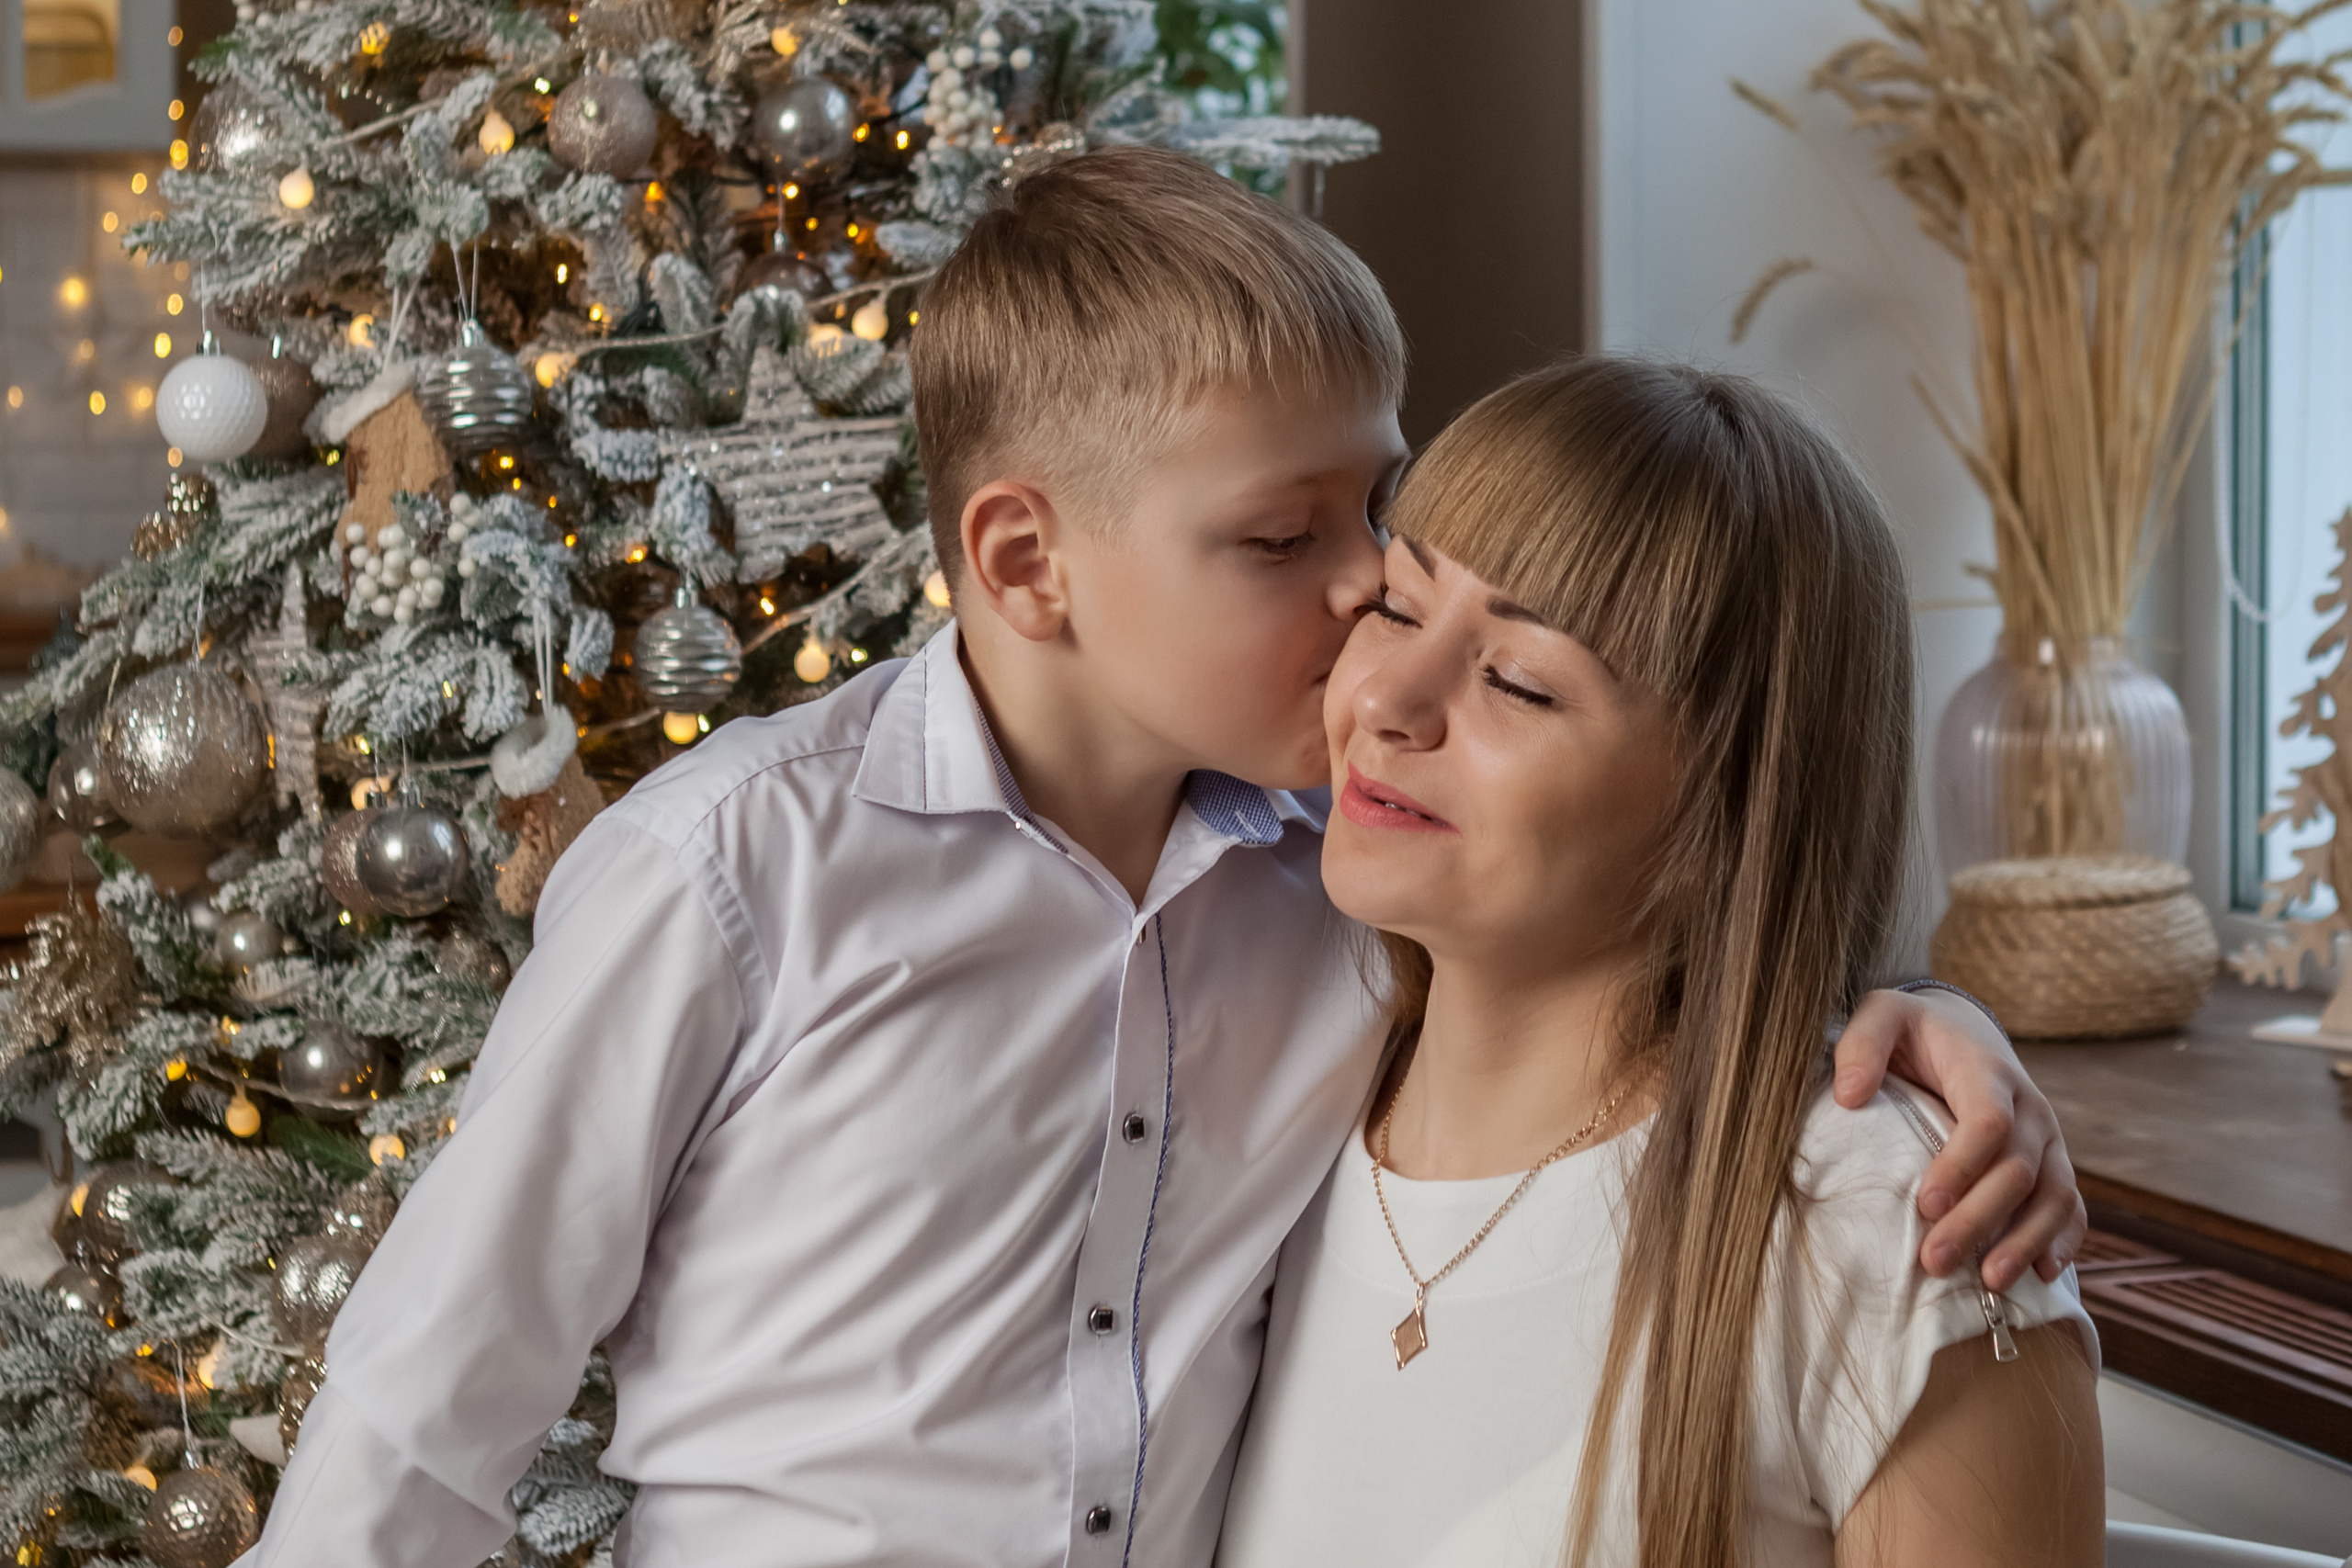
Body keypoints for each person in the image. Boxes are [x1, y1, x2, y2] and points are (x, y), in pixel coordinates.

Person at [245, 155, 2083, 1568]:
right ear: (1028, 562)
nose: (1368, 595)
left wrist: (1908, 1015)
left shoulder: (1329, 889)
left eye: (1380, 509)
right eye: (1290, 537)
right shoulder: (740, 867)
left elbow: (1648, 939)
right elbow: (425, 1402)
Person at [1218, 355, 2105, 1568]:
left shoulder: (1885, 1233)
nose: (1389, 702)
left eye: (1517, 682)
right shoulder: (1259, 1092)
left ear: (1726, 808)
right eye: (1401, 606)